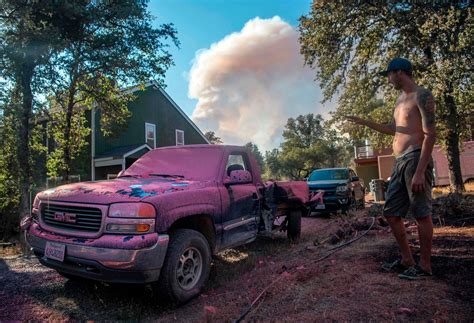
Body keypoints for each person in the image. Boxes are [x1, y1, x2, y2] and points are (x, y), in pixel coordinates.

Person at [346, 57, 436, 280]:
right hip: (400, 161)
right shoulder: (400, 100)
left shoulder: (422, 95)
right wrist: (365, 123)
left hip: (415, 159)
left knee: (421, 213)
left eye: (389, 75)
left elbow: (430, 134)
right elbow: (394, 130)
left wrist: (419, 171)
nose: (388, 80)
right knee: (392, 213)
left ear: (399, 72)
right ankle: (407, 260)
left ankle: (425, 265)